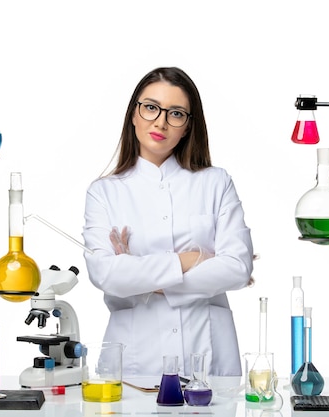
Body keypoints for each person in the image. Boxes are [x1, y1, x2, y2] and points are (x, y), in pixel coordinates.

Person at [82, 67, 253, 378]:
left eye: (175, 113)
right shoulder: (104, 192)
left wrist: (142, 275)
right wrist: (191, 260)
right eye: (150, 108)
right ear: (133, 114)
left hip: (211, 356)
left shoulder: (216, 183)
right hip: (134, 360)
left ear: (188, 126)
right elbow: (106, 274)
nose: (160, 121)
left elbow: (238, 268)